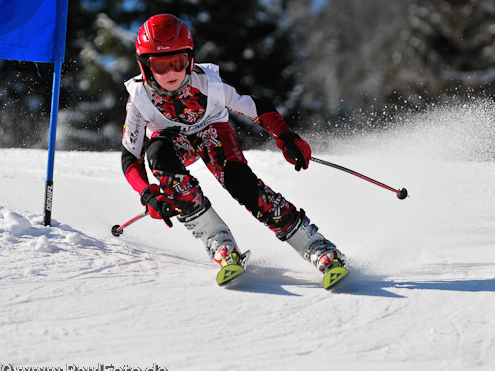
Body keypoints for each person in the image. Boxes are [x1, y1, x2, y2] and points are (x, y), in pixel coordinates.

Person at [121, 14, 345, 276]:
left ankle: (314, 244)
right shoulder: (138, 99)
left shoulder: (208, 83)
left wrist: (285, 137)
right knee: (158, 154)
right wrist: (148, 193)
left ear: (189, 59)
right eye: (161, 65)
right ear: (146, 66)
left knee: (241, 182)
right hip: (172, 143)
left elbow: (256, 108)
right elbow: (130, 157)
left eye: (177, 62)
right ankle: (218, 241)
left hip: (212, 132)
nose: (171, 72)